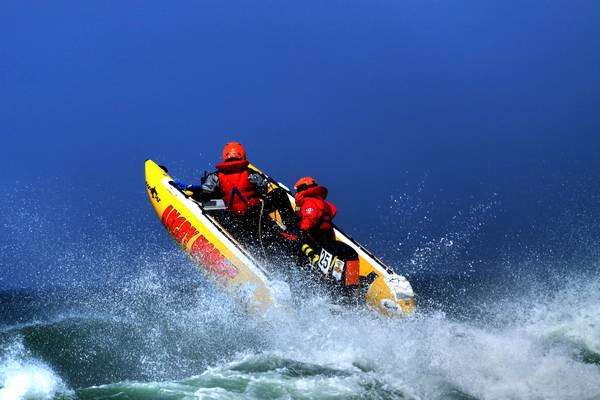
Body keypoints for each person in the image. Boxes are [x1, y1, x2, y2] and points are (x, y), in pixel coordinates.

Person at [293, 177, 360, 293]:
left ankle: (344, 287)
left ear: (301, 189)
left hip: (321, 245)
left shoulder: (309, 202)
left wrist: (302, 231)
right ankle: (349, 288)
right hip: (323, 245)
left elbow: (310, 218)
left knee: (348, 254)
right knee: (350, 253)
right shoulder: (321, 204)